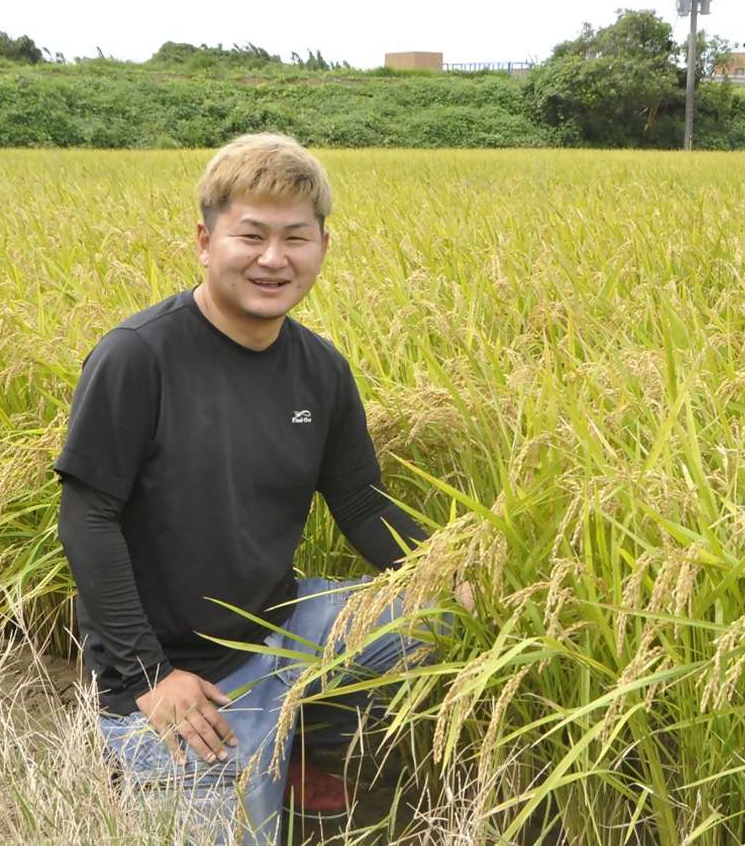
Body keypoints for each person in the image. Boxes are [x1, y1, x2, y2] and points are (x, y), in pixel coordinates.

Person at [56, 134, 456, 844]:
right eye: (252, 235)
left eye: (295, 238)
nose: (274, 259)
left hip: (282, 619)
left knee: (443, 618)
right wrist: (152, 676)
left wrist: (448, 571)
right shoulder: (139, 356)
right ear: (206, 242)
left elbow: (361, 503)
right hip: (184, 672)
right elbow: (88, 518)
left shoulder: (320, 370)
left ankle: (311, 745)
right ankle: (198, 741)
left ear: (323, 246)